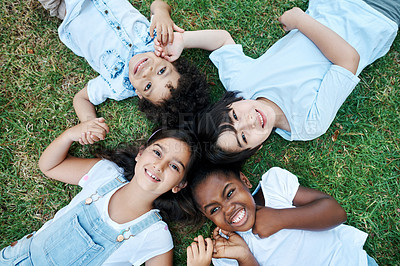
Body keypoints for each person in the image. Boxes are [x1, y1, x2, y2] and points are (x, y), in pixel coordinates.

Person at [156, 0, 399, 162]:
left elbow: (221, 41)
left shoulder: (241, 85)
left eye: (235, 117)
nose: (249, 122)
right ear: (255, 149)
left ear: (231, 103)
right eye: (243, 138)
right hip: (377, 15)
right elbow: (348, 60)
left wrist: (184, 40)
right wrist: (300, 22)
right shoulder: (307, 124)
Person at [0, 118, 199, 265]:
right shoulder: (105, 174)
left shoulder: (155, 235)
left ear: (179, 185)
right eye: (157, 152)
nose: (159, 166)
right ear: (140, 153)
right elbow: (49, 167)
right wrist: (70, 135)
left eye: (174, 167)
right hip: (20, 258)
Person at [38, 0, 210, 128]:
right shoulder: (160, 41)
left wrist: (88, 121)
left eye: (148, 86)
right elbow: (158, 4)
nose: (147, 72)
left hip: (66, 10)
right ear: (171, 61)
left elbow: (81, 98)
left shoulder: (116, 86)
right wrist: (162, 13)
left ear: (140, 95)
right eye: (162, 70)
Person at [185, 162, 378, 266]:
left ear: (245, 181)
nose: (228, 209)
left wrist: (279, 218)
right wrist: (244, 257)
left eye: (229, 193)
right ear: (207, 217)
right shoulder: (226, 251)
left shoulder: (273, 186)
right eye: (215, 209)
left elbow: (336, 213)